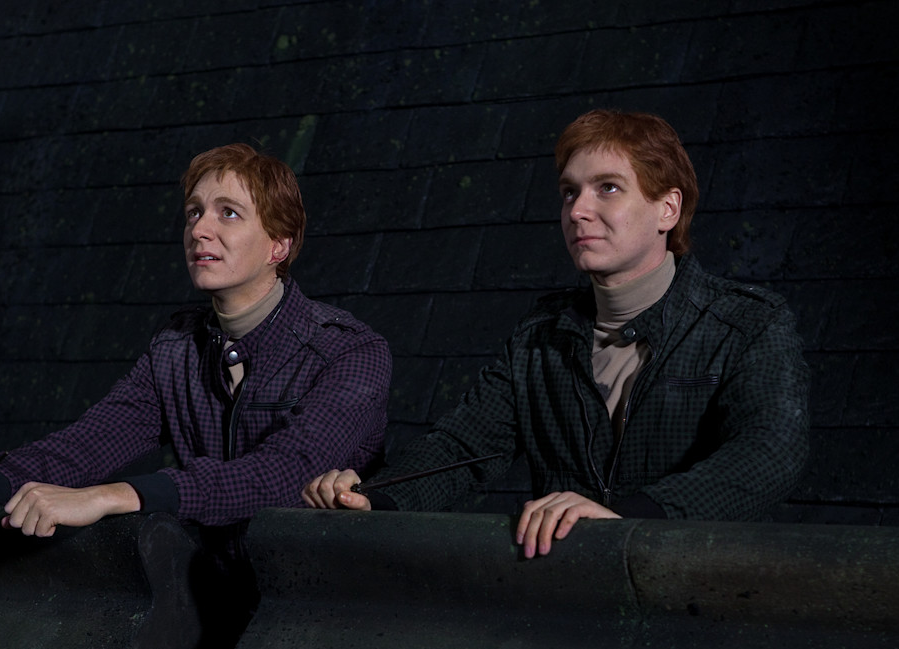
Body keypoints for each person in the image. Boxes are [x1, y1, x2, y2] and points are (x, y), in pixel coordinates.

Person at [303, 109, 810, 559]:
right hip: (571, 605)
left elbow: (769, 454)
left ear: (668, 209)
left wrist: (631, 518)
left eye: (607, 188)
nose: (578, 210)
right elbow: (463, 448)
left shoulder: (748, 324)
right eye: (570, 192)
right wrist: (373, 497)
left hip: (698, 598)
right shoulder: (539, 338)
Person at [0, 143, 392, 542]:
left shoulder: (351, 353)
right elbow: (87, 444)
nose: (199, 230)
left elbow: (283, 475)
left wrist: (111, 496)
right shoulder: (175, 348)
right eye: (194, 212)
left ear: (278, 245)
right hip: (210, 592)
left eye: (228, 213)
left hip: (318, 603)